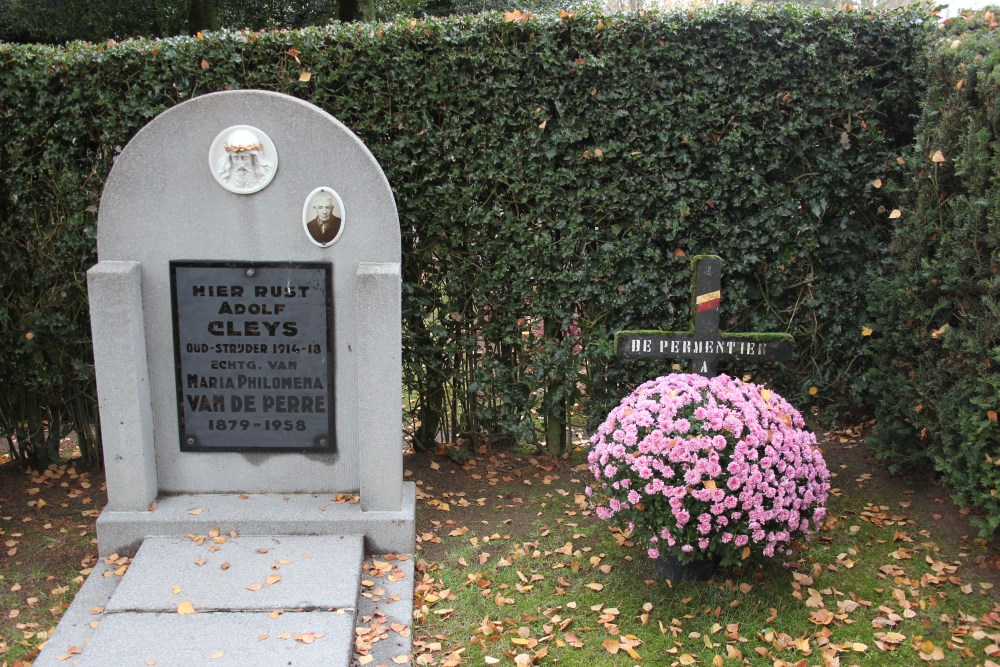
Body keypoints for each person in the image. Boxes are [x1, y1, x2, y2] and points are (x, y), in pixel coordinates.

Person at [217, 129, 273, 193]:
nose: (241, 165)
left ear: (254, 158)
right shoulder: (225, 176)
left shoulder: (263, 175)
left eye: (245, 158)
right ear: (229, 159)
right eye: (235, 158)